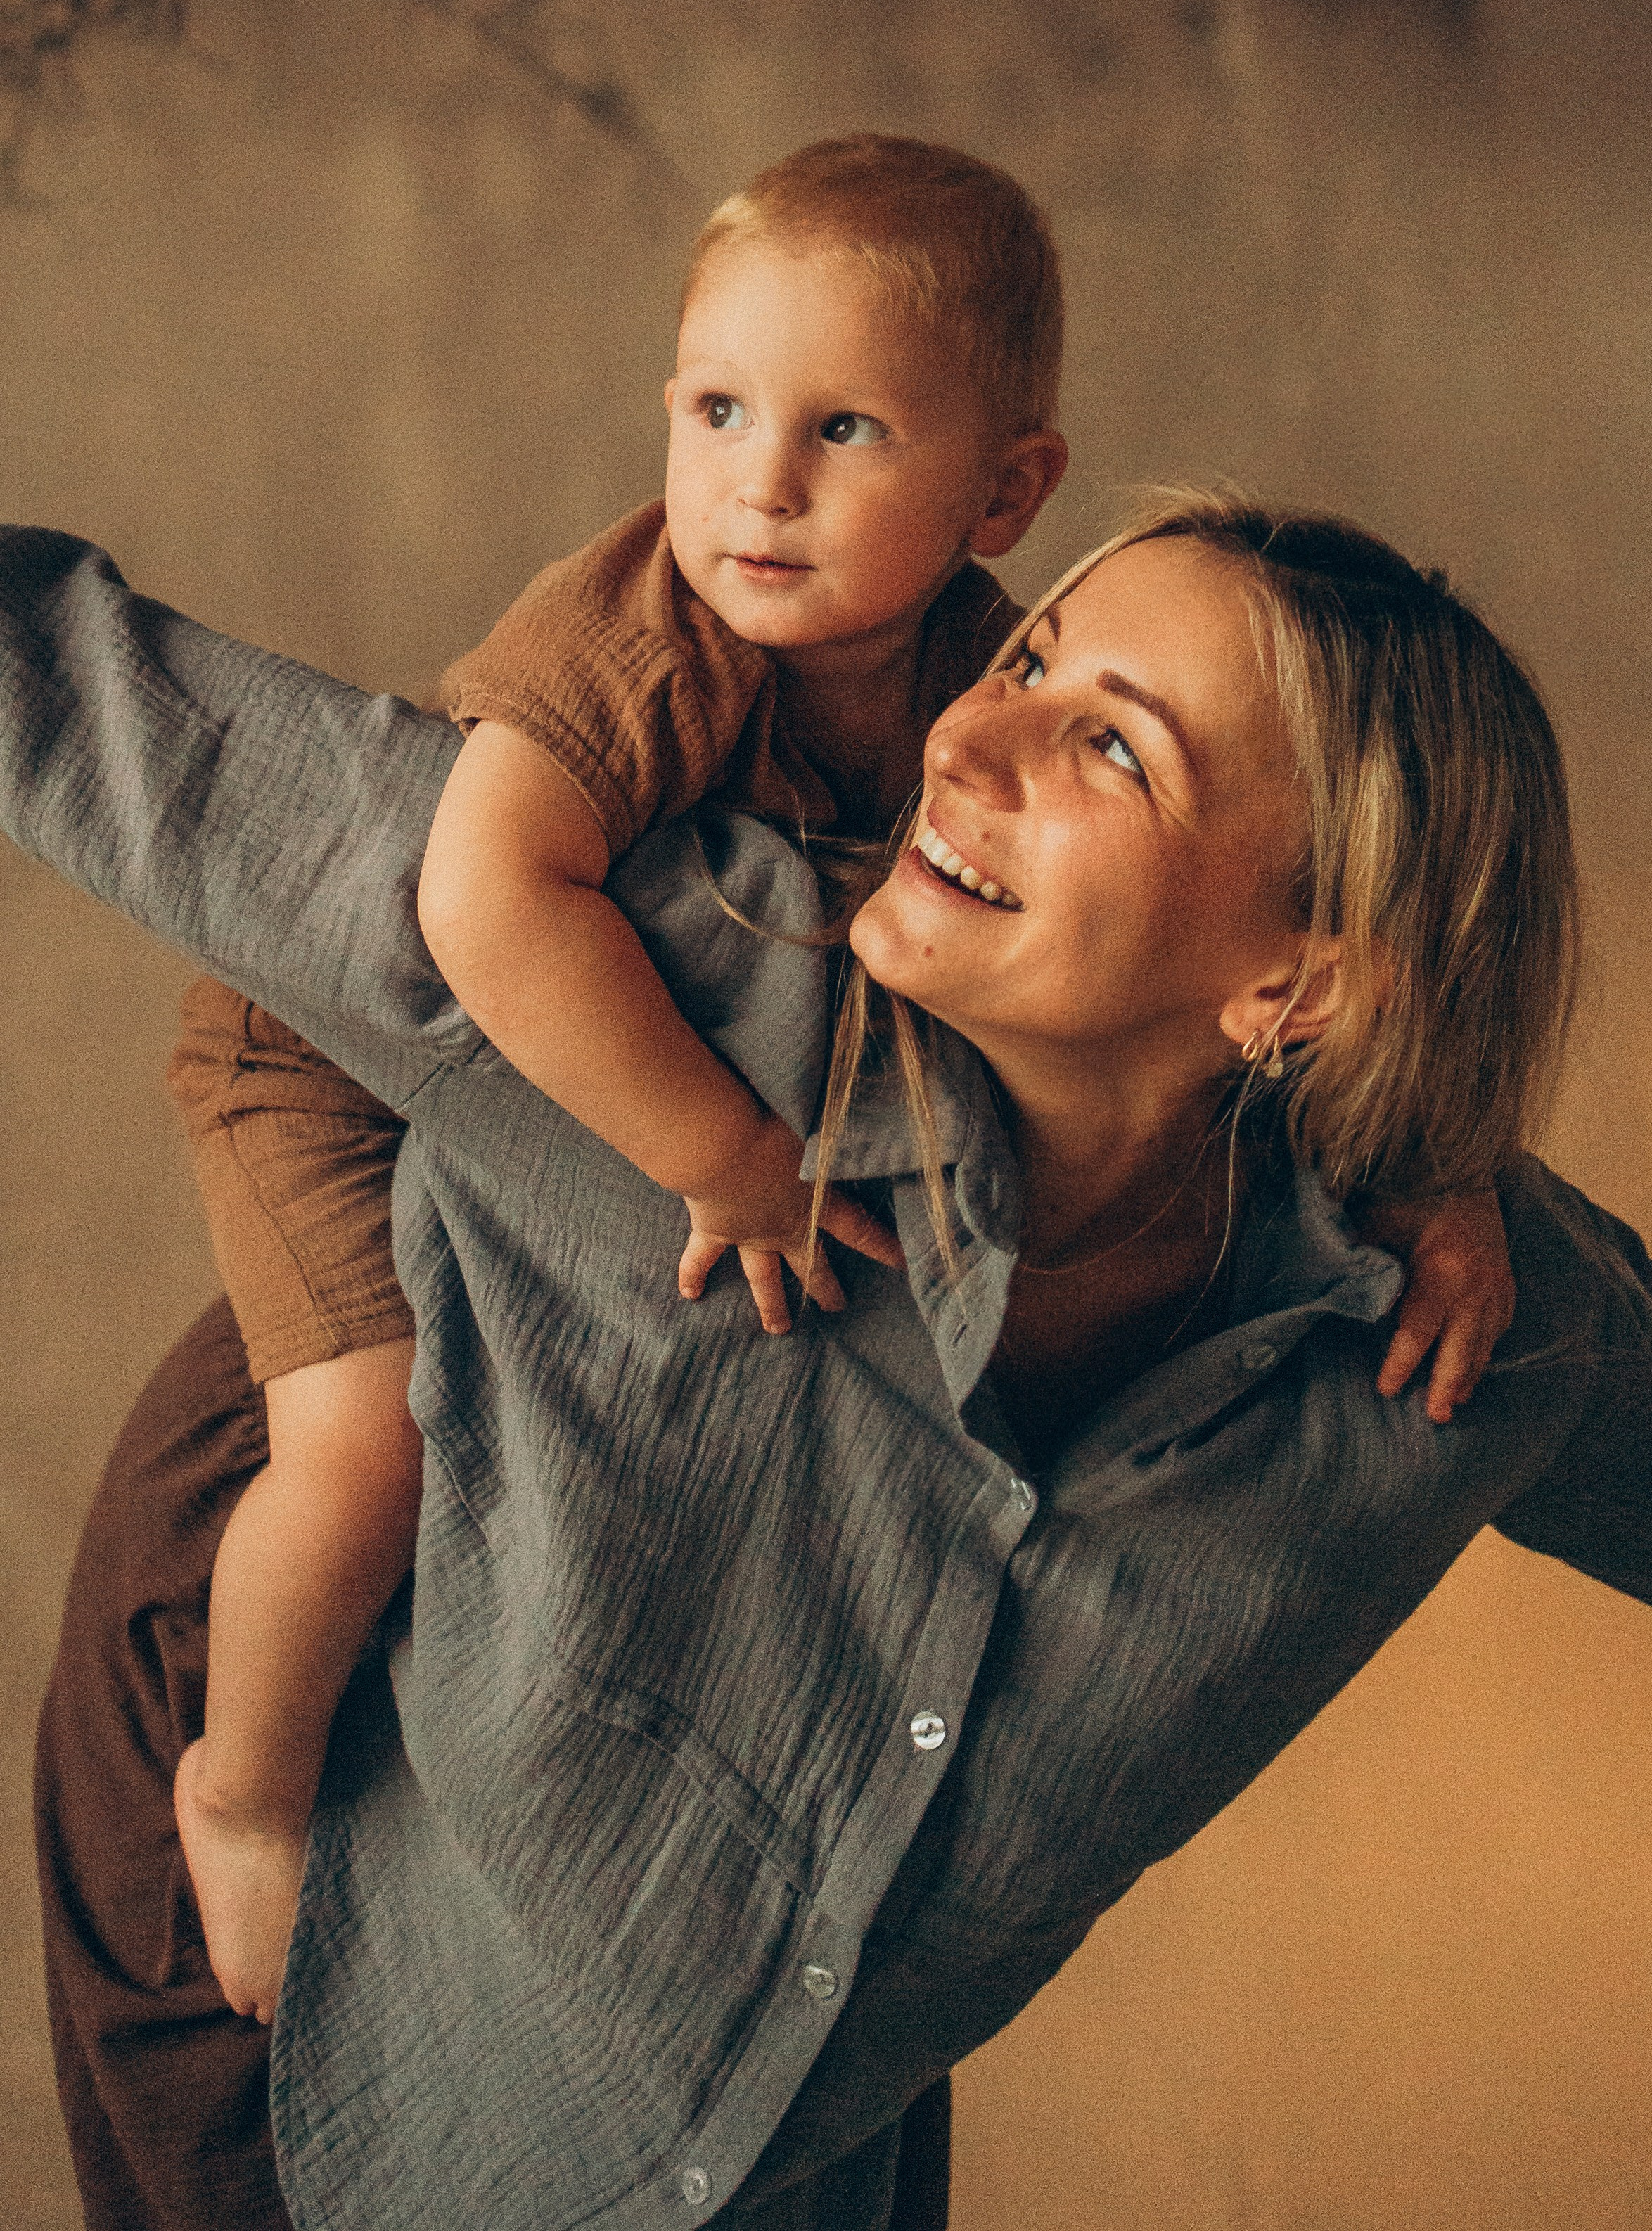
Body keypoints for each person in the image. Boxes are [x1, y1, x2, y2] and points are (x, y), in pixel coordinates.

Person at [12, 492, 1644, 2231]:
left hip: (747, 2063)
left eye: (1108, 744)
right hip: (302, 1848)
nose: (969, 738)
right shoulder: (678, 981)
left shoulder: (1456, 1326)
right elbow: (110, 713)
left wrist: (1447, 1157)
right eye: (1022, 658)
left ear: (1294, 987)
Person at [161, 138, 1513, 2032]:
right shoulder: (645, 635)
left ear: (1003, 491)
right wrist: (726, 1155)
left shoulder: (971, 675)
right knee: (361, 1446)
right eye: (713, 409)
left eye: (844, 431)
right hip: (340, 1055)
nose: (755, 486)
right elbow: (475, 904)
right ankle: (240, 1790)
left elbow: (1287, 1013)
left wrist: (1439, 1184)